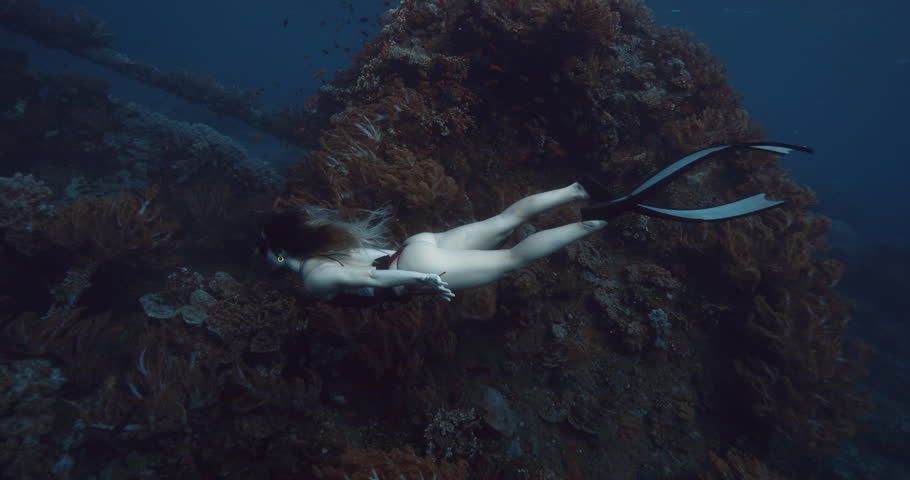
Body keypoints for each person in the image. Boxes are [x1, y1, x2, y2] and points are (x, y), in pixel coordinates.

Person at [257, 143, 812, 306]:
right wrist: (414, 268)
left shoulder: (313, 279)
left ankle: (597, 220)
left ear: (281, 253)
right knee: (505, 219)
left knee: (514, 258)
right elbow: (371, 267)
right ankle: (577, 189)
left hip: (417, 266)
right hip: (416, 244)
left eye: (265, 255)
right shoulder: (327, 247)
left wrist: (421, 282)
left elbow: (372, 283)